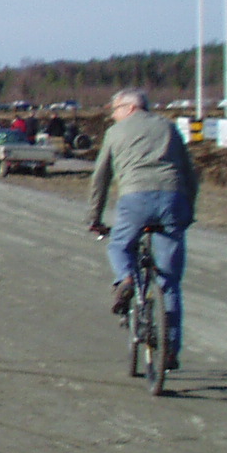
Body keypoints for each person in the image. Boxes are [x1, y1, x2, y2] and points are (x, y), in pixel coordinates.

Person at [86, 87, 198, 368]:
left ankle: (125, 279)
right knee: (169, 282)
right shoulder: (169, 128)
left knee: (119, 245)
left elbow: (100, 177)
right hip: (173, 199)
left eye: (115, 109)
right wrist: (188, 210)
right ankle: (170, 350)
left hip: (135, 199)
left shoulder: (115, 133)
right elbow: (189, 173)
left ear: (130, 108)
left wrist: (94, 217)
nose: (113, 115)